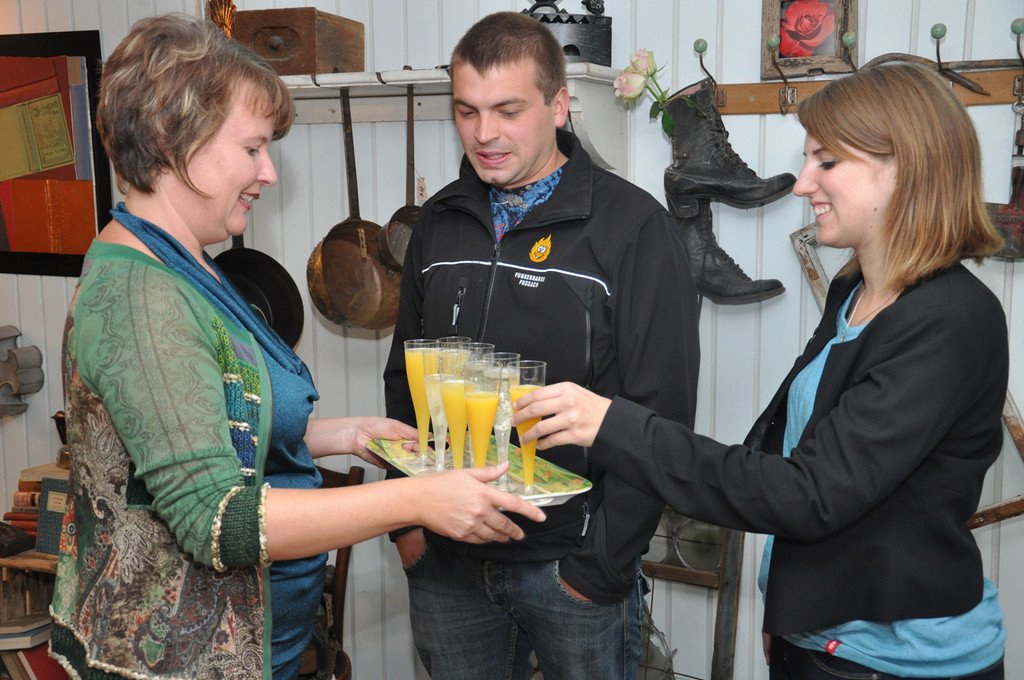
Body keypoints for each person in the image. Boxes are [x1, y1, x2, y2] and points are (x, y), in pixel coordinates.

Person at [49, 14, 545, 680]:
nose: (269, 172)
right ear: (171, 138)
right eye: (253, 148)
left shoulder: (186, 263)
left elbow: (203, 425)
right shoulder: (142, 296)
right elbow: (216, 518)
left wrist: (341, 434)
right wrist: (417, 500)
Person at [513, 62, 1008, 680]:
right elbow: (808, 456)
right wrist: (789, 605)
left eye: (827, 161)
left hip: (897, 660)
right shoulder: (855, 292)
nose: (804, 184)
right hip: (820, 636)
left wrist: (614, 425)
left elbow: (809, 494)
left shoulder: (950, 320)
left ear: (907, 167)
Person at [381, 11, 700, 680]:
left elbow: (661, 414)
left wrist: (601, 565)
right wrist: (406, 524)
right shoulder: (438, 222)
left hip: (570, 569)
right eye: (466, 111)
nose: (484, 133)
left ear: (558, 106)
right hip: (446, 563)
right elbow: (404, 380)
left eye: (507, 110)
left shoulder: (635, 228)